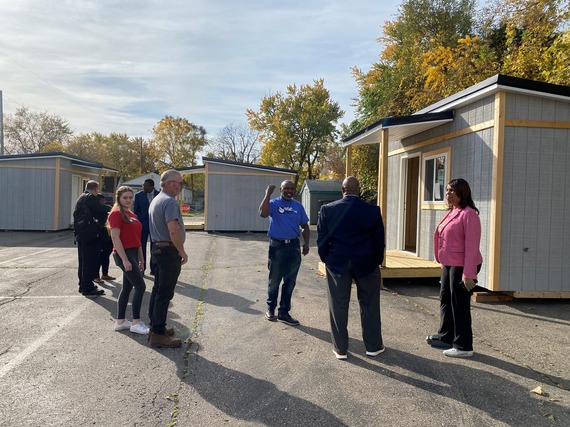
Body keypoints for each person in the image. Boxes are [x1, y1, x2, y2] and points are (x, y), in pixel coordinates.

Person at [317, 176, 386, 360]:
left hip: (338, 262)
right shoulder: (372, 210)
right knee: (369, 304)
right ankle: (373, 346)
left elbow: (322, 240)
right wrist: (376, 260)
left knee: (338, 305)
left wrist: (326, 259)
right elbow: (379, 240)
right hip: (366, 262)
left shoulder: (327, 209)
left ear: (342, 190)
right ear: (359, 190)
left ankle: (340, 348)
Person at [428, 178, 483, 358]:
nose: (448, 193)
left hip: (463, 266)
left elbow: (472, 247)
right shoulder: (453, 211)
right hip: (450, 264)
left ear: (462, 193)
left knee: (459, 305)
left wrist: (468, 274)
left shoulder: (469, 214)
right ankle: (446, 336)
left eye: (452, 191)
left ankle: (463, 346)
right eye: (447, 190)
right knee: (445, 299)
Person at [259, 179, 310, 326]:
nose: (289, 191)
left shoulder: (298, 206)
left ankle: (284, 312)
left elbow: (305, 226)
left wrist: (306, 243)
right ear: (281, 190)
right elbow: (263, 214)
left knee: (290, 281)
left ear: (295, 191)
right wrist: (267, 194)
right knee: (274, 279)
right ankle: (271, 308)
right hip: (277, 247)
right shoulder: (274, 203)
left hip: (293, 247)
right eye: (286, 188)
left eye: (292, 189)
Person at [147, 170, 188, 348]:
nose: (181, 186)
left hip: (157, 249)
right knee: (164, 293)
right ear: (171, 183)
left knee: (158, 290)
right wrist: (182, 251)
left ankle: (157, 327)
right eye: (180, 183)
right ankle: (157, 333)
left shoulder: (157, 199)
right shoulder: (169, 202)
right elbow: (173, 230)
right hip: (167, 252)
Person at [108, 186, 150, 335]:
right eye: (125, 198)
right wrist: (125, 260)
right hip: (123, 254)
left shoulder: (132, 215)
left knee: (127, 288)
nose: (128, 200)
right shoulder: (116, 214)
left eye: (130, 197)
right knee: (140, 287)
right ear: (118, 198)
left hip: (133, 253)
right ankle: (136, 322)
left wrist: (141, 259)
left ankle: (120, 321)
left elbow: (137, 240)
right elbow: (115, 238)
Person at [73, 180, 109, 296]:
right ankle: (87, 287)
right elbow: (100, 209)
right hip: (90, 235)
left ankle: (83, 285)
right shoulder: (90, 198)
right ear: (95, 189)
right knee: (90, 261)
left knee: (83, 262)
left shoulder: (81, 198)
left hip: (82, 234)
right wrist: (112, 208)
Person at [133, 178, 159, 276]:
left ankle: (154, 268)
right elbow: (136, 211)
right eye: (143, 185)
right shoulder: (138, 195)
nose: (144, 187)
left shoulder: (159, 195)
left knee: (155, 247)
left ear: (152, 186)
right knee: (141, 247)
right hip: (142, 225)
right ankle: (142, 268)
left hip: (155, 225)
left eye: (146, 186)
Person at [94, 194, 115, 283]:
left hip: (108, 235)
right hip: (100, 236)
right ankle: (96, 276)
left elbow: (110, 209)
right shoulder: (95, 209)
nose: (103, 203)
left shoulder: (106, 208)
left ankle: (105, 274)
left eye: (104, 201)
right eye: (101, 201)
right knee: (99, 257)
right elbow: (106, 209)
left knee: (106, 255)